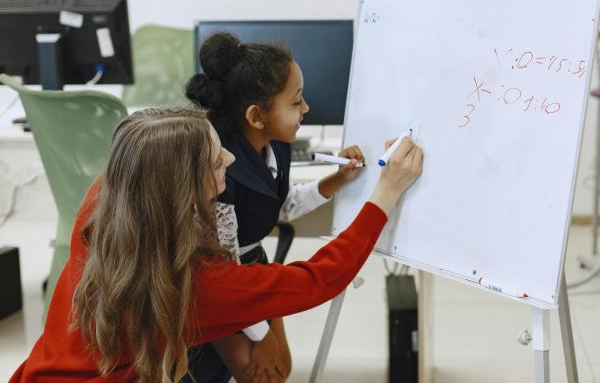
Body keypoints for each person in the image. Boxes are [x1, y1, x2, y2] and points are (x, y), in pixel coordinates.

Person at [9, 106, 423, 383]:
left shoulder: (105, 202)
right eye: (214, 159)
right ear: (179, 187)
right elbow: (319, 278)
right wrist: (386, 192)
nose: (229, 158)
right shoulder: (193, 286)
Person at [185, 32, 366, 380]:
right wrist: (262, 333)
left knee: (278, 369)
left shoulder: (276, 145)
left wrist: (338, 179)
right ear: (257, 116)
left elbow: (282, 206)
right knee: (253, 373)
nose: (307, 109)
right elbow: (224, 272)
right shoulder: (220, 172)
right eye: (296, 102)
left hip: (250, 269)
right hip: (212, 285)